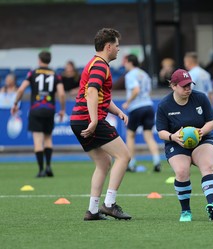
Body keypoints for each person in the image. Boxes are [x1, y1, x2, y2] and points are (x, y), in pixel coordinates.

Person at [69, 28, 132, 221]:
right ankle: (110, 204)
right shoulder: (100, 66)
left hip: (78, 120)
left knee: (104, 163)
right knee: (124, 156)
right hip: (88, 119)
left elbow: (101, 95)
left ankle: (93, 210)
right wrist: (95, 120)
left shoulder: (95, 64)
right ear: (108, 46)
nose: (118, 50)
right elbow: (93, 92)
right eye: (117, 46)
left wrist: (118, 111)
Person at [156, 68, 213, 222]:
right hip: (177, 143)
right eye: (184, 86)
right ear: (173, 86)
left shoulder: (201, 98)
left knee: (208, 166)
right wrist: (173, 137)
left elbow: (211, 123)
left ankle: (212, 205)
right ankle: (186, 211)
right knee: (182, 171)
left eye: (190, 85)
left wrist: (201, 132)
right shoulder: (164, 105)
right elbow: (161, 132)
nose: (188, 89)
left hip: (202, 139)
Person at [11, 51, 66, 178]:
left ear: (39, 60)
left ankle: (41, 170)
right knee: (48, 139)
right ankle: (48, 166)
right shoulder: (55, 75)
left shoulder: (33, 73)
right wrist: (62, 109)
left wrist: (15, 104)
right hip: (49, 110)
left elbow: (21, 89)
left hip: (35, 109)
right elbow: (62, 94)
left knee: (38, 140)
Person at [122, 54, 161, 173]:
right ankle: (157, 161)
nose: (124, 65)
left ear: (129, 62)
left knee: (130, 135)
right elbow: (148, 90)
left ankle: (131, 163)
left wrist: (128, 102)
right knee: (148, 136)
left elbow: (136, 89)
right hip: (148, 106)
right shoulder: (144, 74)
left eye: (125, 62)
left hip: (136, 107)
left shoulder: (130, 75)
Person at [183, 51, 213, 173]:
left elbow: (188, 92)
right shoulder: (205, 73)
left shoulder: (191, 74)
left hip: (195, 109)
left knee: (189, 135)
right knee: (209, 137)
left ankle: (185, 164)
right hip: (206, 108)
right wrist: (211, 109)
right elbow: (210, 94)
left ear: (189, 62)